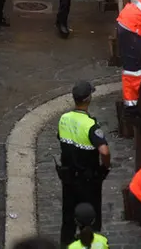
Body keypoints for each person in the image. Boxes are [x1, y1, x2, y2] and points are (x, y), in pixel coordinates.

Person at [56, 81, 111, 247]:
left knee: (68, 215)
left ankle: (66, 243)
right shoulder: (91, 125)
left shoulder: (64, 119)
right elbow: (104, 151)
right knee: (88, 214)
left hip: (68, 177)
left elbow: (61, 138)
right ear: (88, 99)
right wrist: (105, 167)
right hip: (88, 179)